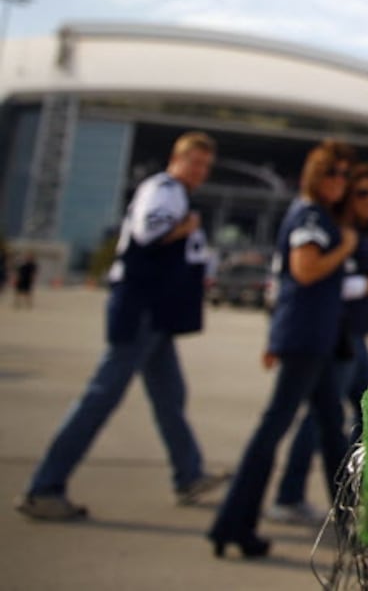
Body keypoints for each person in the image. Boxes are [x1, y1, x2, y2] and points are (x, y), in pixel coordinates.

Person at [15, 132, 226, 521]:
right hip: (140, 310)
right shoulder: (164, 190)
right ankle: (45, 487)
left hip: (155, 313)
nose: (199, 172)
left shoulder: (174, 192)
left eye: (205, 166)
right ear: (175, 160)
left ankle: (189, 473)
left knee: (170, 396)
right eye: (194, 162)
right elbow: (150, 232)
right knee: (101, 396)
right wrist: (186, 225)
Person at [208, 140, 359, 559]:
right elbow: (304, 270)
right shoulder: (310, 216)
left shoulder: (316, 215)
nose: (339, 182)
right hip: (307, 339)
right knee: (274, 428)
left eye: (344, 175)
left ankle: (349, 520)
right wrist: (344, 249)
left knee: (331, 430)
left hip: (317, 339)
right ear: (315, 175)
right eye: (332, 173)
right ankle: (233, 522)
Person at [268, 161, 368, 526]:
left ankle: (354, 491)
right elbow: (331, 283)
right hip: (335, 337)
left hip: (353, 337)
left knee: (364, 414)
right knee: (317, 420)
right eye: (363, 192)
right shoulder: (342, 233)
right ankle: (292, 495)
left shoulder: (361, 234)